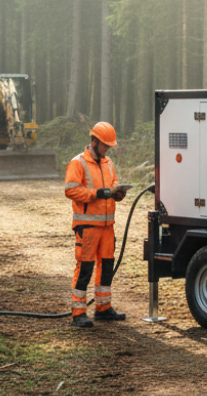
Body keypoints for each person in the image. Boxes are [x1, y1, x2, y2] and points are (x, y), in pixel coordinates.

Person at [64, 121, 127, 327]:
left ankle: (103, 308)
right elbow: (70, 190)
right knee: (85, 268)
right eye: (105, 145)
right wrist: (95, 194)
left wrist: (117, 192)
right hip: (87, 227)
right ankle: (78, 312)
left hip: (107, 226)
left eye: (109, 146)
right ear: (94, 142)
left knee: (106, 267)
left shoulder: (108, 163)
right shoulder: (78, 163)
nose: (107, 149)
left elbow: (113, 183)